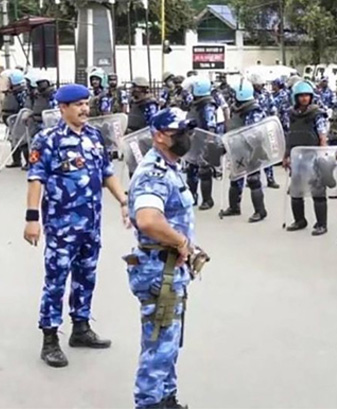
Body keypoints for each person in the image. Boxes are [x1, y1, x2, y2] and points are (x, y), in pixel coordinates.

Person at [24, 84, 130, 368]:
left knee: (86, 276)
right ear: (62, 108)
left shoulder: (95, 137)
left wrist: (123, 200)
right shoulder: (48, 140)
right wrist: (32, 218)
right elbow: (36, 178)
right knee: (56, 281)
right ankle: (50, 339)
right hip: (61, 226)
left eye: (86, 103)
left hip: (91, 225)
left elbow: (107, 173)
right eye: (78, 105)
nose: (85, 109)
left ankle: (81, 328)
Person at [125, 107, 199, 408]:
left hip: (169, 267)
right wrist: (181, 241)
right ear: (159, 136)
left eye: (187, 132)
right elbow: (148, 220)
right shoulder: (153, 173)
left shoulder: (170, 166)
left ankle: (167, 398)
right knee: (159, 344)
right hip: (159, 270)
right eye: (178, 133)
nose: (185, 138)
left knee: (168, 342)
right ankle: (149, 403)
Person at [283, 80, 330, 236]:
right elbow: (289, 136)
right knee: (296, 191)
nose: (304, 98)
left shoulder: (317, 114)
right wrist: (286, 155)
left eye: (307, 95)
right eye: (301, 96)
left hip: (314, 157)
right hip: (298, 158)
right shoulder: (291, 114)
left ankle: (321, 224)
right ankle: (299, 220)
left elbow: (323, 136)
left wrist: (323, 155)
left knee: (318, 192)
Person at [219, 80, 268, 222]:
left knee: (253, 180)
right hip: (237, 149)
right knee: (235, 178)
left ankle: (260, 211)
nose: (232, 95)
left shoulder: (254, 111)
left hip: (253, 151)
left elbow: (255, 133)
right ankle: (234, 207)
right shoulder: (236, 108)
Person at [186, 76, 218, 210]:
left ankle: (207, 200)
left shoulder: (207, 106)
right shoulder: (196, 103)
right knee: (191, 170)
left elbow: (211, 126)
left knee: (204, 171)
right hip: (195, 141)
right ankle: (192, 196)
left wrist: (209, 147)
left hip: (204, 141)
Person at [249, 73, 280, 189]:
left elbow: (273, 109)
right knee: (252, 155)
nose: (260, 86)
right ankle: (252, 177)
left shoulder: (267, 95)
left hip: (265, 127)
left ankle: (270, 179)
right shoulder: (248, 95)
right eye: (258, 84)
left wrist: (273, 122)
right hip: (251, 129)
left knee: (267, 154)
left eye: (261, 84)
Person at [4, 69, 29, 168]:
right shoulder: (12, 91)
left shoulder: (21, 92)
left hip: (18, 119)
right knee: (13, 140)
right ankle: (16, 160)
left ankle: (28, 162)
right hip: (12, 120)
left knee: (22, 141)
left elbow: (24, 105)